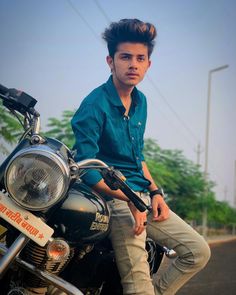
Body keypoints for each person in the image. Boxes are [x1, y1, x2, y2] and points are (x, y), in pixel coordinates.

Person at [71, 18, 210, 295]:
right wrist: (131, 199)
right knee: (138, 287)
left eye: (140, 58)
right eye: (125, 57)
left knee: (198, 251)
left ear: (148, 64)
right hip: (114, 199)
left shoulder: (141, 101)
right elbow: (87, 170)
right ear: (110, 61)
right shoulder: (93, 105)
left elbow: (138, 157)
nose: (133, 64)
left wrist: (155, 192)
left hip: (141, 198)